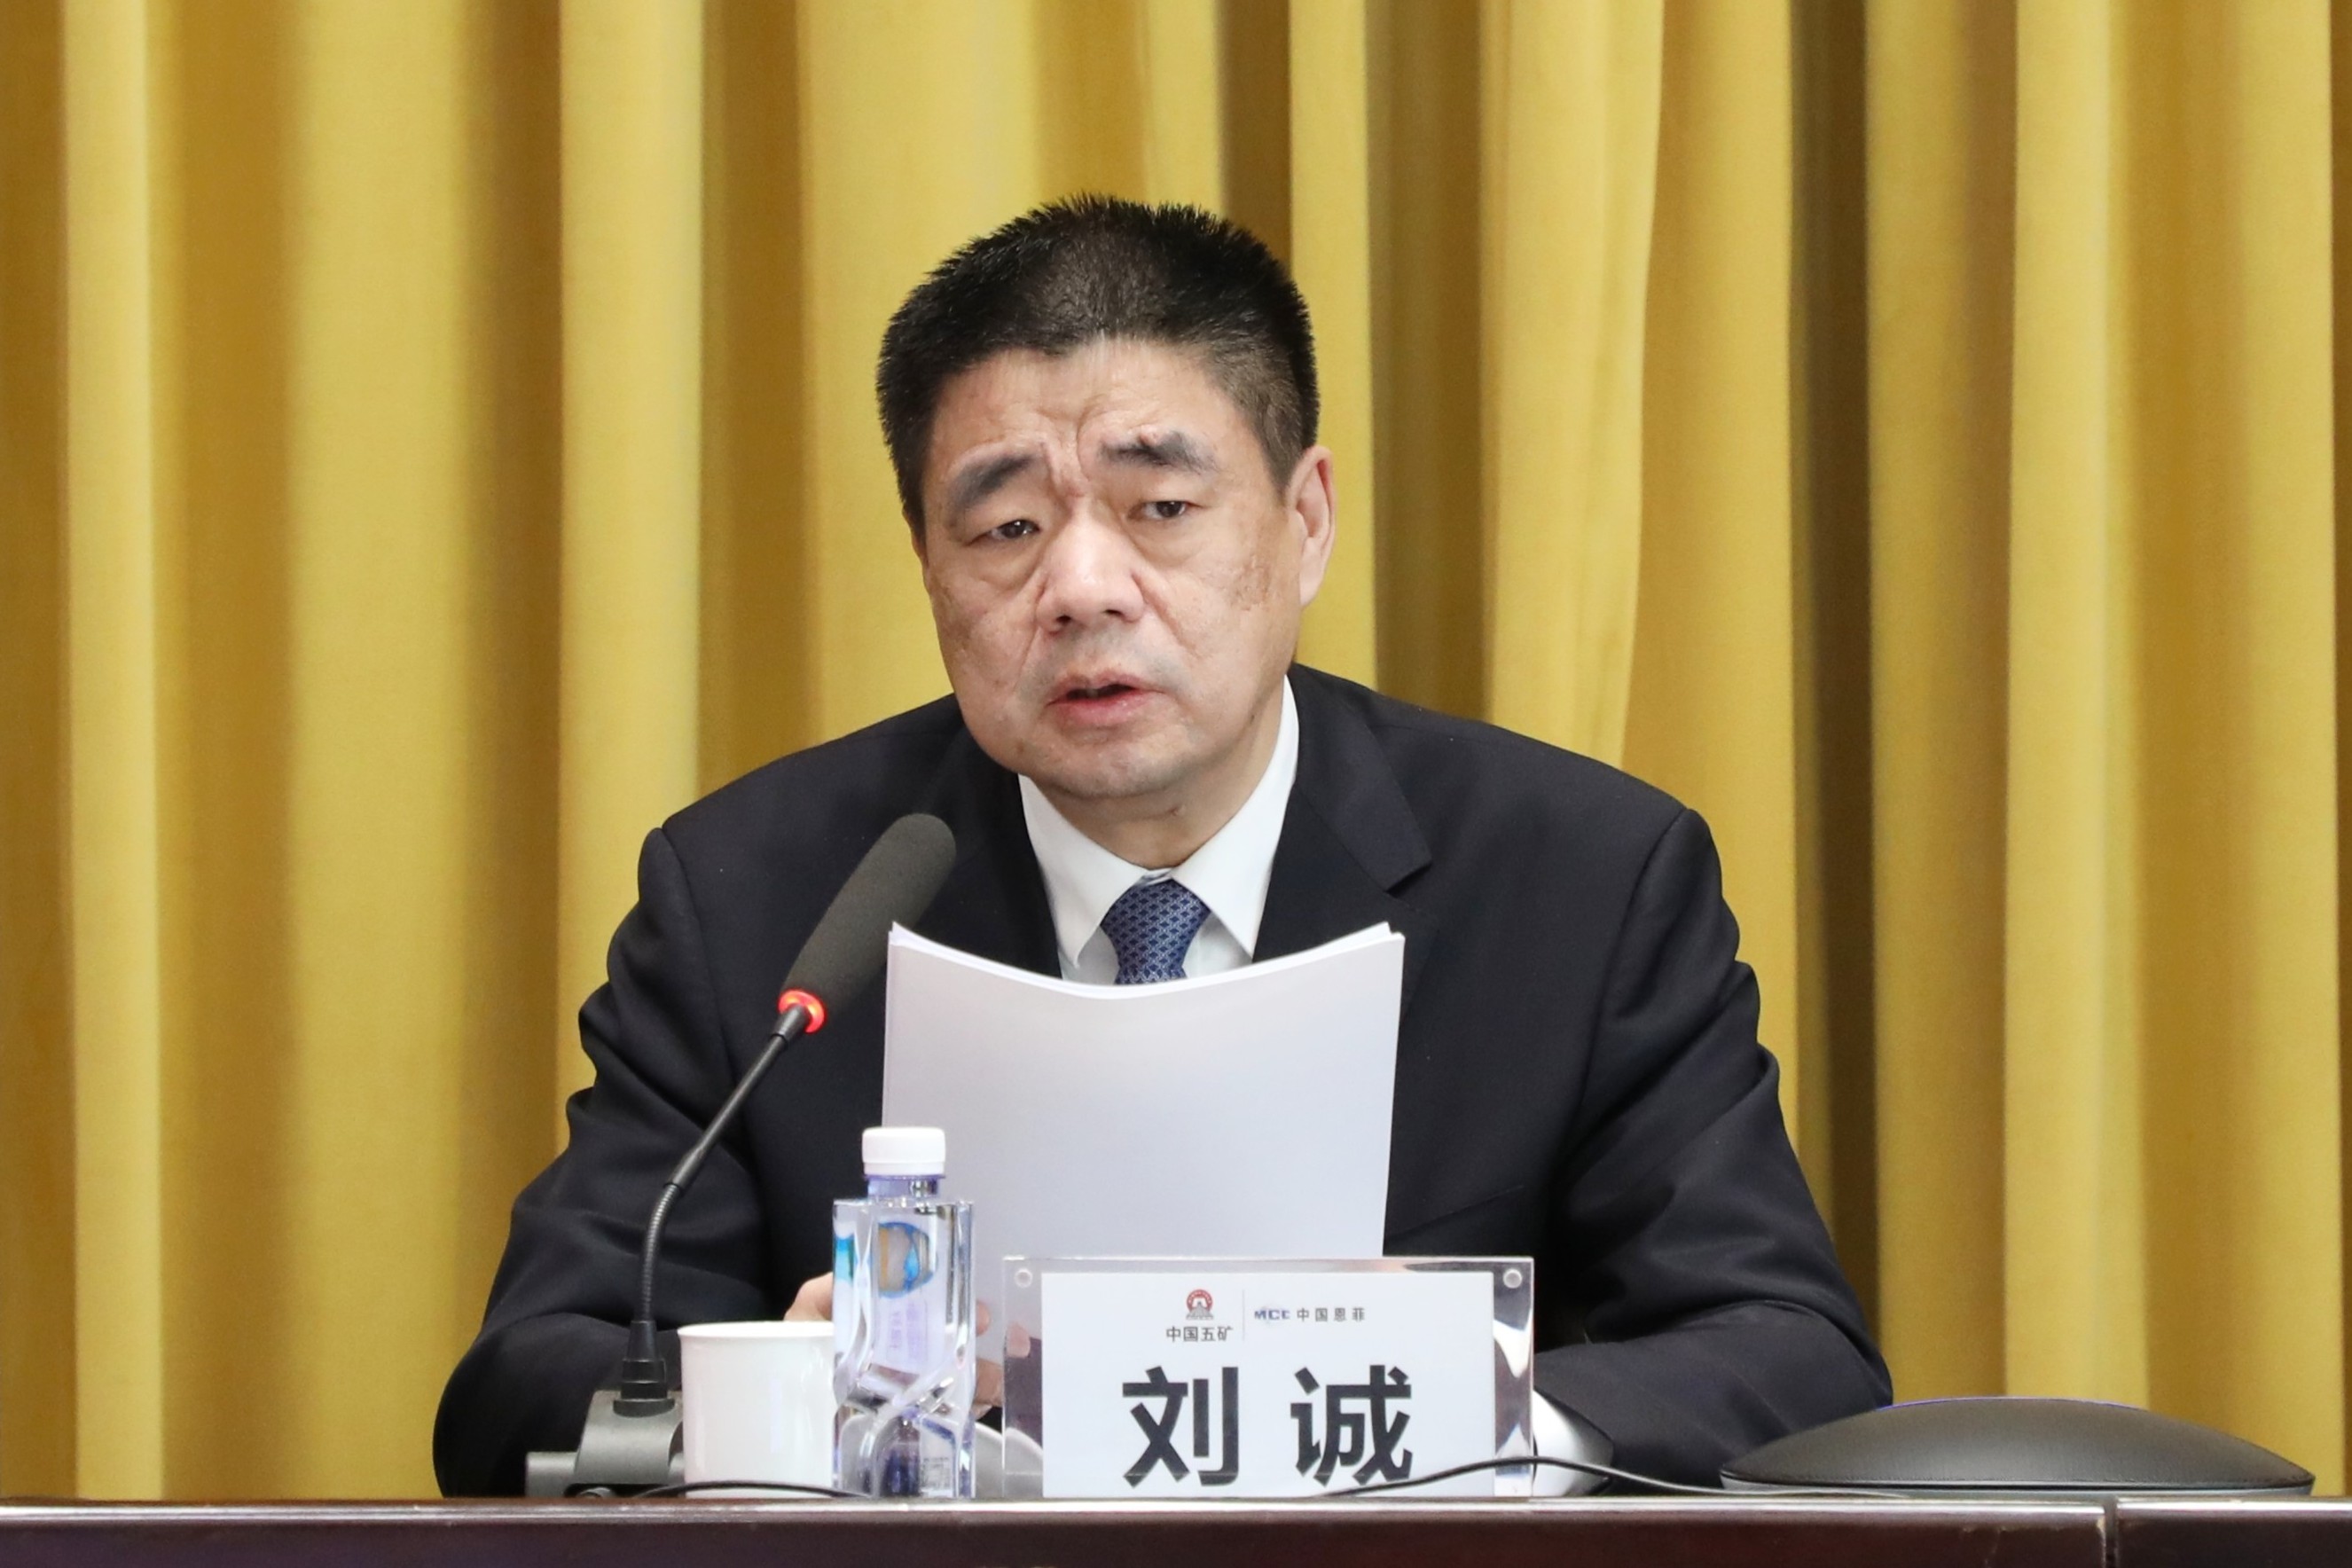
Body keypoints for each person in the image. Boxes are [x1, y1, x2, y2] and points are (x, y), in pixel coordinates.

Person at [434, 196, 1889, 1497]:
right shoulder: (760, 899)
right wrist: (775, 1396)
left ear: (1305, 523)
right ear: (928, 564)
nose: (1081, 586)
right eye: (1007, 527)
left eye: (1163, 509)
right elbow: (525, 1384)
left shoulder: (1577, 881)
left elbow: (1787, 1355)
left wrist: (1463, 1408)